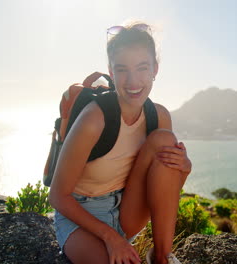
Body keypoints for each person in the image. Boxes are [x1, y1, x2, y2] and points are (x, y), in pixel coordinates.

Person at [49, 22, 192, 264]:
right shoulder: (94, 119)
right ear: (111, 72)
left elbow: (163, 183)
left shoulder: (159, 116)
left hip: (126, 209)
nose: (133, 81)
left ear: (155, 69)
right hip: (80, 215)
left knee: (165, 141)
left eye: (142, 68)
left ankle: (161, 257)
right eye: (122, 69)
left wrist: (184, 169)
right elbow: (57, 196)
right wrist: (111, 238)